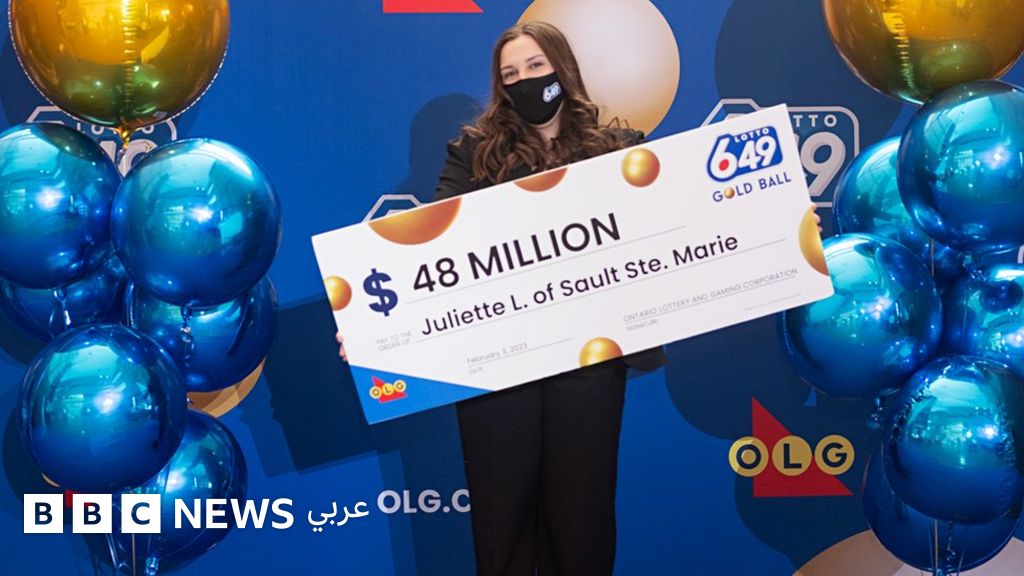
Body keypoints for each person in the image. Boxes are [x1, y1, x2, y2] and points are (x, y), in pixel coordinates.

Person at [339, 20, 819, 575]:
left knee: (581, 520)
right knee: (501, 521)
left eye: (535, 66)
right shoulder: (473, 154)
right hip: (498, 369)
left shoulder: (620, 152)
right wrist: (373, 332)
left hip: (588, 365)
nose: (524, 80)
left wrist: (781, 229)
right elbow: (432, 253)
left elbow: (685, 231)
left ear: (562, 69)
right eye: (510, 74)